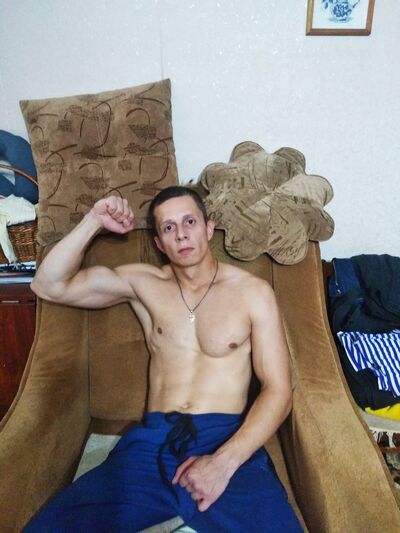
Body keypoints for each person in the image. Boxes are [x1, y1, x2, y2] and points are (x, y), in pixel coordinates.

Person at [26, 186, 302, 532]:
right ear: (159, 242)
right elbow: (47, 285)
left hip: (227, 436)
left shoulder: (254, 293)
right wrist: (94, 220)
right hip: (153, 442)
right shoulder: (143, 283)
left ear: (208, 228)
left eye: (190, 222)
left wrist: (224, 463)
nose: (181, 234)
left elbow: (279, 389)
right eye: (169, 227)